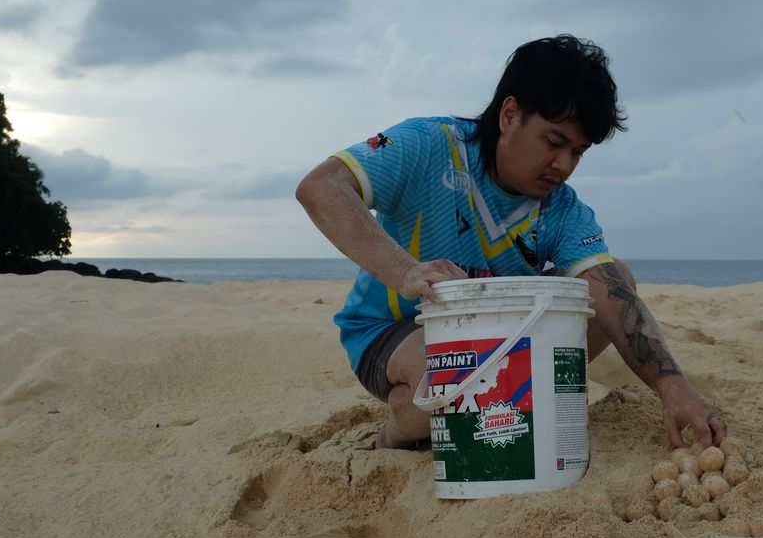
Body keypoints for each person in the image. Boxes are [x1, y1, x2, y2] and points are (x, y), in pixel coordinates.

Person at [296, 35, 728, 451]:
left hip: (502, 340)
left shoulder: (562, 208)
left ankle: (515, 393)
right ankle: (394, 433)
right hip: (393, 331)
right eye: (554, 142)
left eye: (578, 153)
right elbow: (321, 186)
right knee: (456, 382)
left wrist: (674, 389)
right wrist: (405, 271)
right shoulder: (428, 144)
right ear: (509, 115)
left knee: (614, 279)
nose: (563, 166)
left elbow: (610, 292)